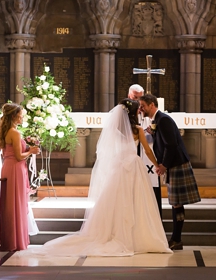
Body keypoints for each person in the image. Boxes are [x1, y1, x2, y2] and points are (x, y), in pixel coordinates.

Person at [18, 99, 172, 256]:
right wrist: (158, 165)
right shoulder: (138, 130)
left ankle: (114, 232)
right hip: (134, 165)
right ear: (133, 113)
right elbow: (146, 150)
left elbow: (109, 150)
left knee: (117, 202)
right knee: (137, 201)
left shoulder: (116, 129)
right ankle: (137, 236)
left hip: (119, 167)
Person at [139, 94, 201, 250]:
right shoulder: (158, 120)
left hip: (176, 165)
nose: (141, 108)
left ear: (152, 105)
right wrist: (153, 132)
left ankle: (176, 239)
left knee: (177, 203)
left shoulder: (163, 120)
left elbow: (171, 145)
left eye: (143, 106)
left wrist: (164, 165)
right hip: (174, 165)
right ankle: (176, 239)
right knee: (176, 203)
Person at [0, 103, 40, 251]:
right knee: (16, 203)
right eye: (20, 114)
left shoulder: (5, 131)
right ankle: (16, 240)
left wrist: (27, 149)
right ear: (14, 116)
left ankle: (10, 239)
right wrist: (31, 151)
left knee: (10, 204)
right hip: (15, 169)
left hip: (8, 167)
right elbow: (18, 156)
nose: (22, 116)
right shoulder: (15, 133)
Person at [127, 84, 161, 215]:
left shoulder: (147, 113)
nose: (138, 101)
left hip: (145, 152)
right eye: (135, 97)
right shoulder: (124, 113)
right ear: (129, 95)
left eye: (140, 98)